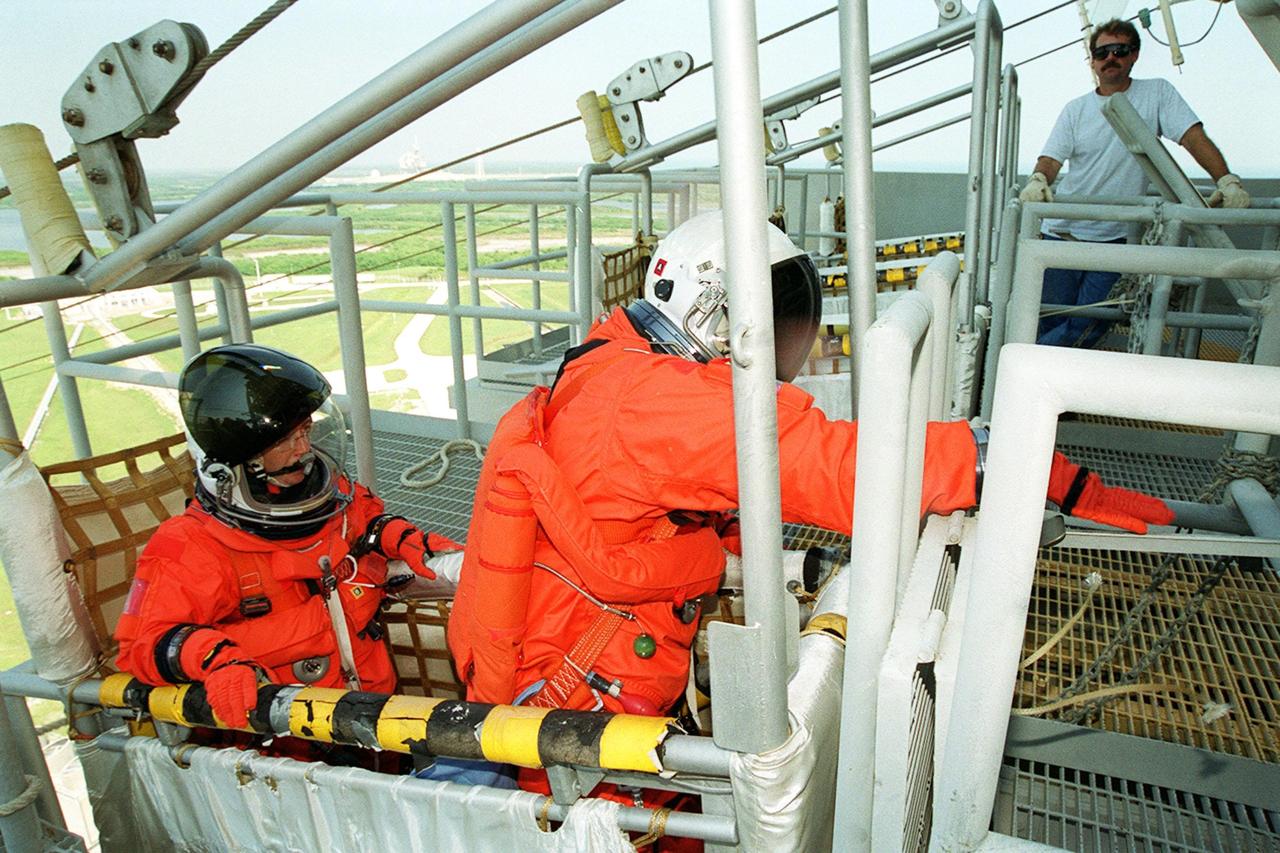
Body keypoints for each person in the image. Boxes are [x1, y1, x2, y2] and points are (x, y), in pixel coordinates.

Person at [447, 210, 1174, 725]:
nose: (781, 344)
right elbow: (839, 468)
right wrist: (1010, 457)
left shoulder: (618, 364)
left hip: (586, 658)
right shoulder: (655, 401)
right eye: (773, 318)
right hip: (581, 690)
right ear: (711, 310)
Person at [116, 344, 454, 733]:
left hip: (375, 720)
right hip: (285, 750)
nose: (305, 449)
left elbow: (365, 518)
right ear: (243, 458)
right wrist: (216, 659)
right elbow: (144, 644)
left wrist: (397, 536)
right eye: (287, 440)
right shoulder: (191, 547)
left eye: (307, 431)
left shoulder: (328, 493)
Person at [1019, 18, 1250, 348]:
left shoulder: (1156, 94)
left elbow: (1192, 137)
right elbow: (1051, 158)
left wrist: (1226, 180)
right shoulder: (1076, 110)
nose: (1110, 58)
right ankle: (1041, 380)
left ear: (1134, 55)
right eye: (1102, 52)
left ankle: (1028, 366)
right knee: (1048, 317)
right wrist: (1039, 179)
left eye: (1119, 50)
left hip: (1114, 239)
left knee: (1091, 322)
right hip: (1061, 233)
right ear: (1093, 60)